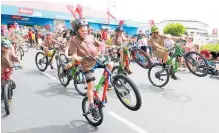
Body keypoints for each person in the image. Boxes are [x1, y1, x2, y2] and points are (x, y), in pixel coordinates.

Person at [64, 19, 114, 120]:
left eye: (86, 30)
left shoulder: (91, 37)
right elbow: (73, 54)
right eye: (82, 31)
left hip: (96, 59)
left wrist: (110, 46)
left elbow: (99, 43)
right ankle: (91, 106)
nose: (85, 32)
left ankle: (106, 82)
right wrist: (77, 58)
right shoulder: (74, 41)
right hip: (87, 65)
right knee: (90, 86)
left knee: (110, 64)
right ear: (77, 31)